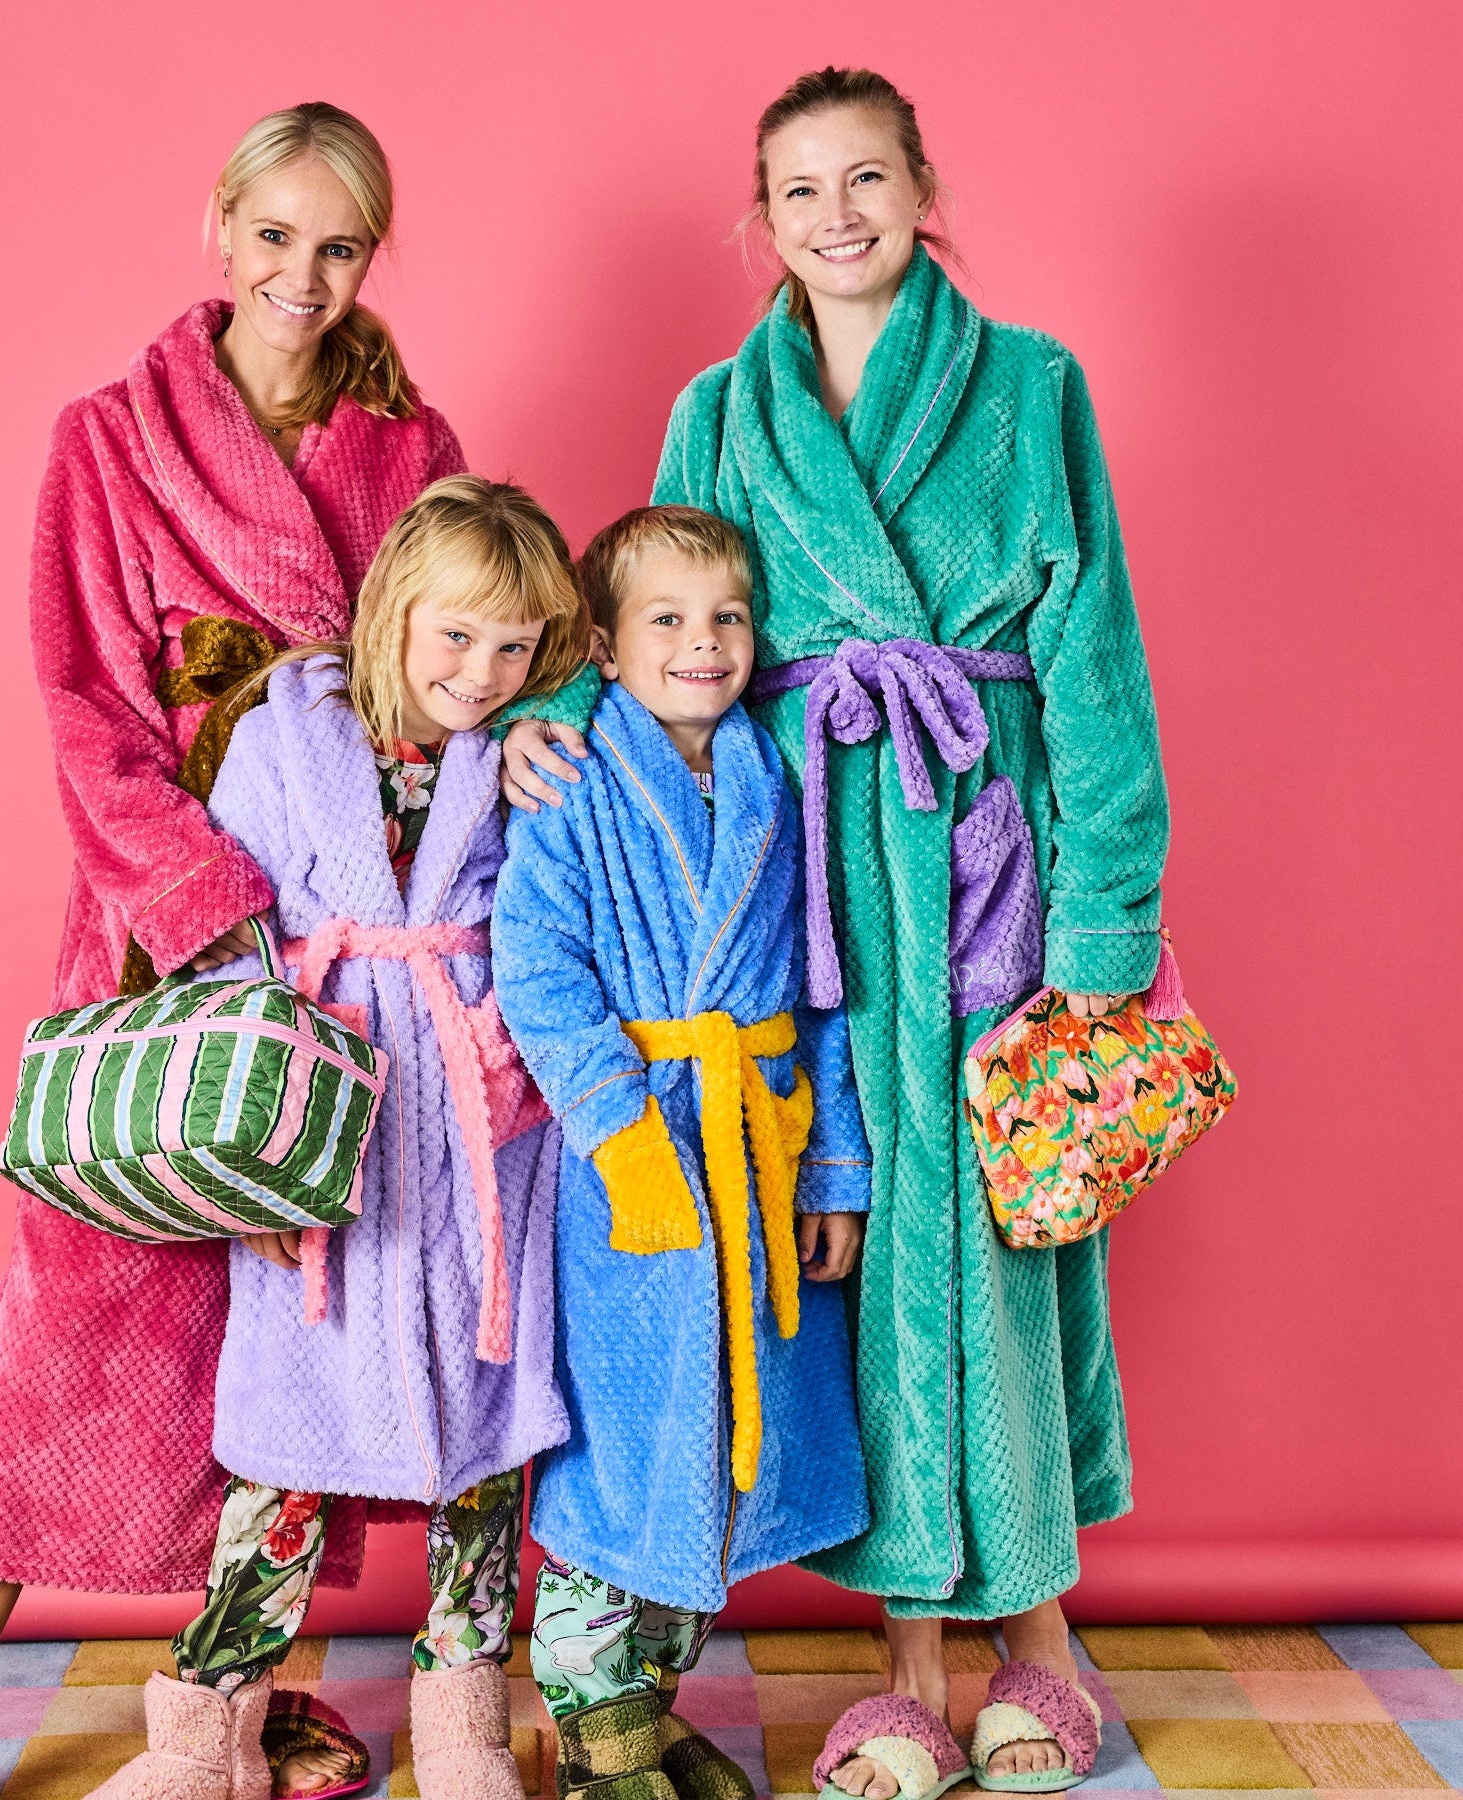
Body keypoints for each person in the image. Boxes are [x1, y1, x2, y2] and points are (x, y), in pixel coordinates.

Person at [503, 68, 1169, 1800]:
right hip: (806, 880)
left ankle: (1041, 1655)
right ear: (763, 221)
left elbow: (1093, 663)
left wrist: (1105, 932)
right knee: (856, 1272)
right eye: (800, 192)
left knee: (1009, 1256)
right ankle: (901, 1673)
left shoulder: (1032, 387)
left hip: (977, 865)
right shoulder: (720, 408)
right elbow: (645, 613)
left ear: (924, 184)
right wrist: (543, 723)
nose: (838, 215)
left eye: (866, 177)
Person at [0, 105, 467, 1800]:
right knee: (68, 1307)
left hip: (344, 931)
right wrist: (206, 910)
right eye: (274, 235)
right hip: (158, 925)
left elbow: (450, 665)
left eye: (338, 245)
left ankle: (236, 1699)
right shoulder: (108, 441)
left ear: (368, 260)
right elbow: (81, 707)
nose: (302, 274)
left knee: (281, 1335)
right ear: (220, 229)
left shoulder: (409, 452)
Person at [85, 476, 587, 1800]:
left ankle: (466, 1728)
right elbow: (230, 938)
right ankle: (203, 1738)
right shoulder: (284, 736)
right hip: (328, 1120)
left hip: (482, 1127)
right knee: (286, 1456)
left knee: (487, 1442)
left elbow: (554, 921)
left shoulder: (527, 750)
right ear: (393, 612)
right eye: (456, 634)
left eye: (514, 645)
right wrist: (250, 1144)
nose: (481, 672)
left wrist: (511, 1057)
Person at [493, 506, 873, 1800]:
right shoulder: (569, 774)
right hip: (637, 1161)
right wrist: (618, 1129)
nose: (702, 643)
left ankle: (646, 1720)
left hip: (757, 1150)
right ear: (603, 645)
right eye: (666, 618)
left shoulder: (777, 773)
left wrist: (834, 1173)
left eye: (727, 617)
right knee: (626, 1449)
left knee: (713, 1456)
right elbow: (536, 964)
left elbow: (824, 985)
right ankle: (596, 1742)